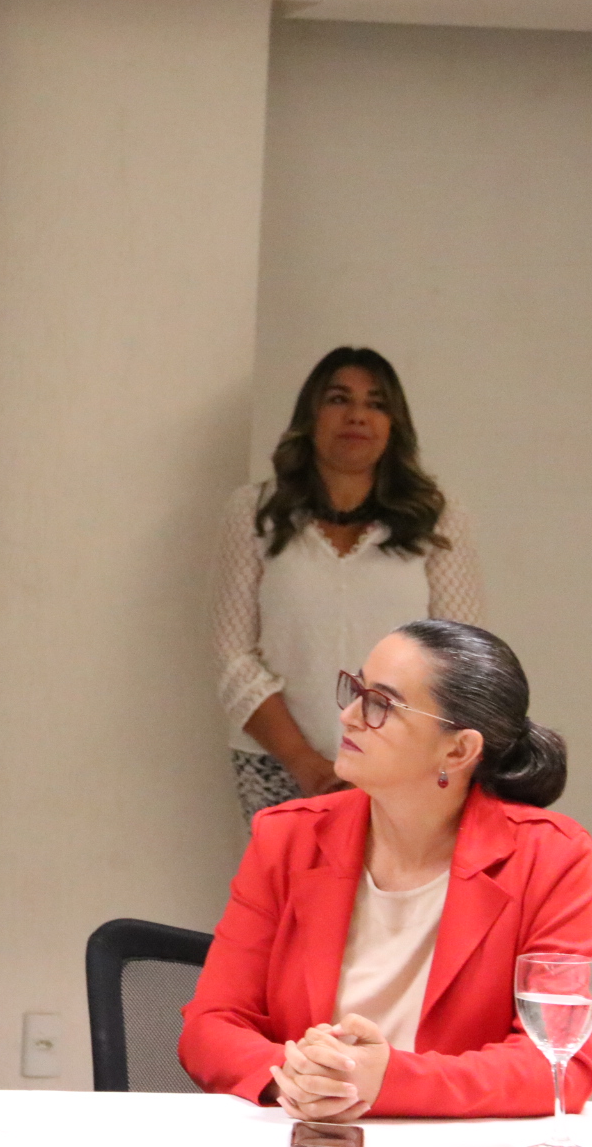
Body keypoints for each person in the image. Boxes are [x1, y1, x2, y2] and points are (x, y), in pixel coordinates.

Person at [180, 620, 592, 1121]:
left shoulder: (549, 856)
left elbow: (562, 1064)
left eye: (380, 704)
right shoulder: (287, 838)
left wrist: (389, 1081)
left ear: (458, 750)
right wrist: (293, 1076)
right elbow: (210, 1025)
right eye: (356, 690)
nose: (348, 716)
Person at [213, 347, 484, 824]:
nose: (357, 415)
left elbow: (458, 660)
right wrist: (304, 762)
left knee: (390, 880)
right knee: (293, 879)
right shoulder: (254, 513)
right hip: (279, 766)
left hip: (403, 769)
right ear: (310, 416)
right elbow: (233, 656)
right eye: (339, 399)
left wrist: (390, 758)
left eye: (376, 404)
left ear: (393, 426)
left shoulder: (438, 518)